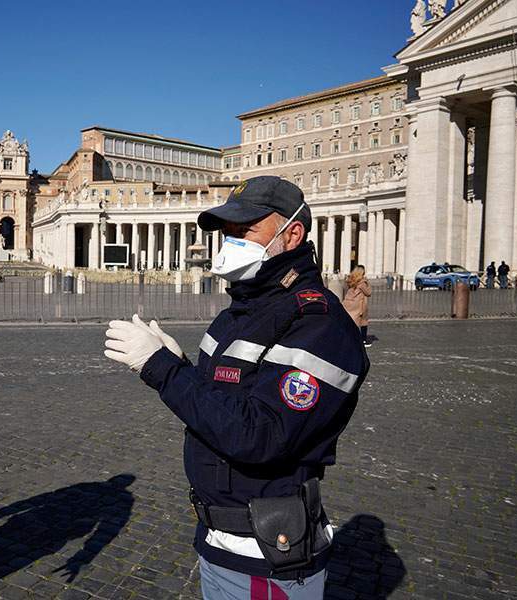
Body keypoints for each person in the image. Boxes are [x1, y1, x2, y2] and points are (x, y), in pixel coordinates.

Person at [103, 176, 369, 599]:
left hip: (269, 553)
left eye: (244, 231)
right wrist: (181, 366)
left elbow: (259, 435)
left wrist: (162, 370)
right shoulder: (240, 313)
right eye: (227, 233)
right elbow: (223, 404)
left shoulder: (319, 324)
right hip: (220, 539)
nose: (230, 243)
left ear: (292, 233)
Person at [343, 266, 372, 348]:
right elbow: (368, 292)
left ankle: (348, 338)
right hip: (358, 304)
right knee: (363, 322)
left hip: (349, 303)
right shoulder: (362, 283)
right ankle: (363, 340)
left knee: (350, 321)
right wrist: (367, 282)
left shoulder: (350, 280)